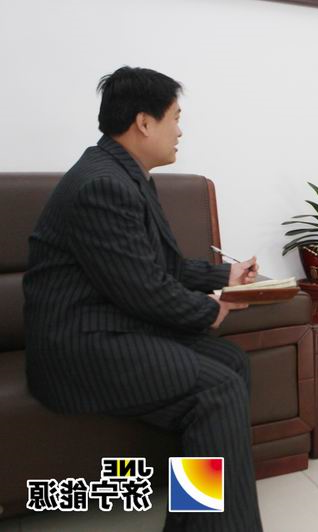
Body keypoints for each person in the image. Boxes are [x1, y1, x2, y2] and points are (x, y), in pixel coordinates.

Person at [23, 66, 263, 530]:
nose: (180, 131)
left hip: (112, 329)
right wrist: (210, 310)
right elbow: (145, 290)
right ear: (144, 123)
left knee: (231, 363)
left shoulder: (127, 175)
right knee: (217, 388)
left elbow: (160, 266)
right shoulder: (102, 186)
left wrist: (225, 275)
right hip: (79, 351)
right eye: (175, 118)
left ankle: (193, 520)